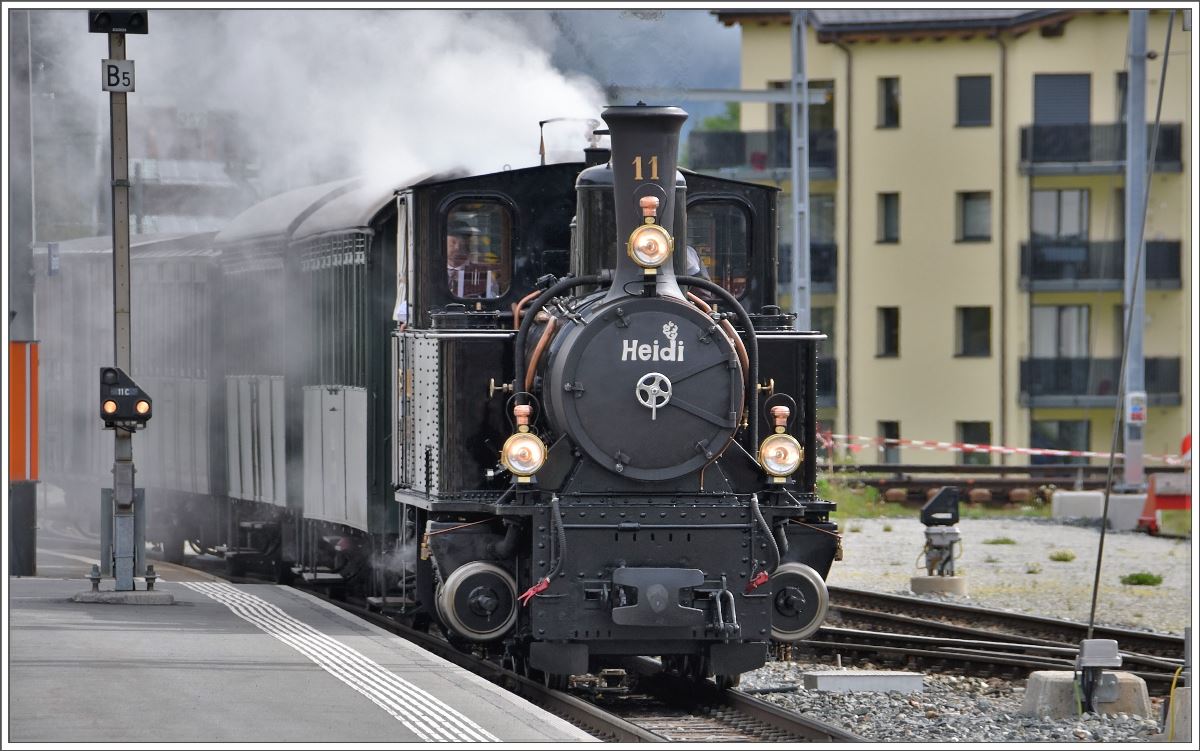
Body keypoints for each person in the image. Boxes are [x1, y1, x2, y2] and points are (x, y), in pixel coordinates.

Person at [446, 220, 498, 298]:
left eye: (462, 243)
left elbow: (493, 300)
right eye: (453, 242)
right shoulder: (434, 272)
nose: (458, 248)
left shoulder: (484, 274)